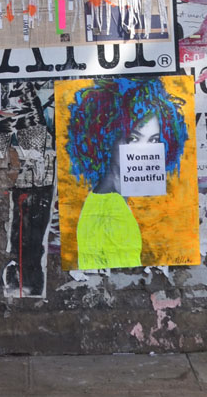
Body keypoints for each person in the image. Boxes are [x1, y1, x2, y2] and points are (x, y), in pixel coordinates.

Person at [65, 77, 188, 269]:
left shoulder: (112, 200)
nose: (144, 150)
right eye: (133, 138)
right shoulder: (109, 210)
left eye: (154, 140)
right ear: (105, 140)